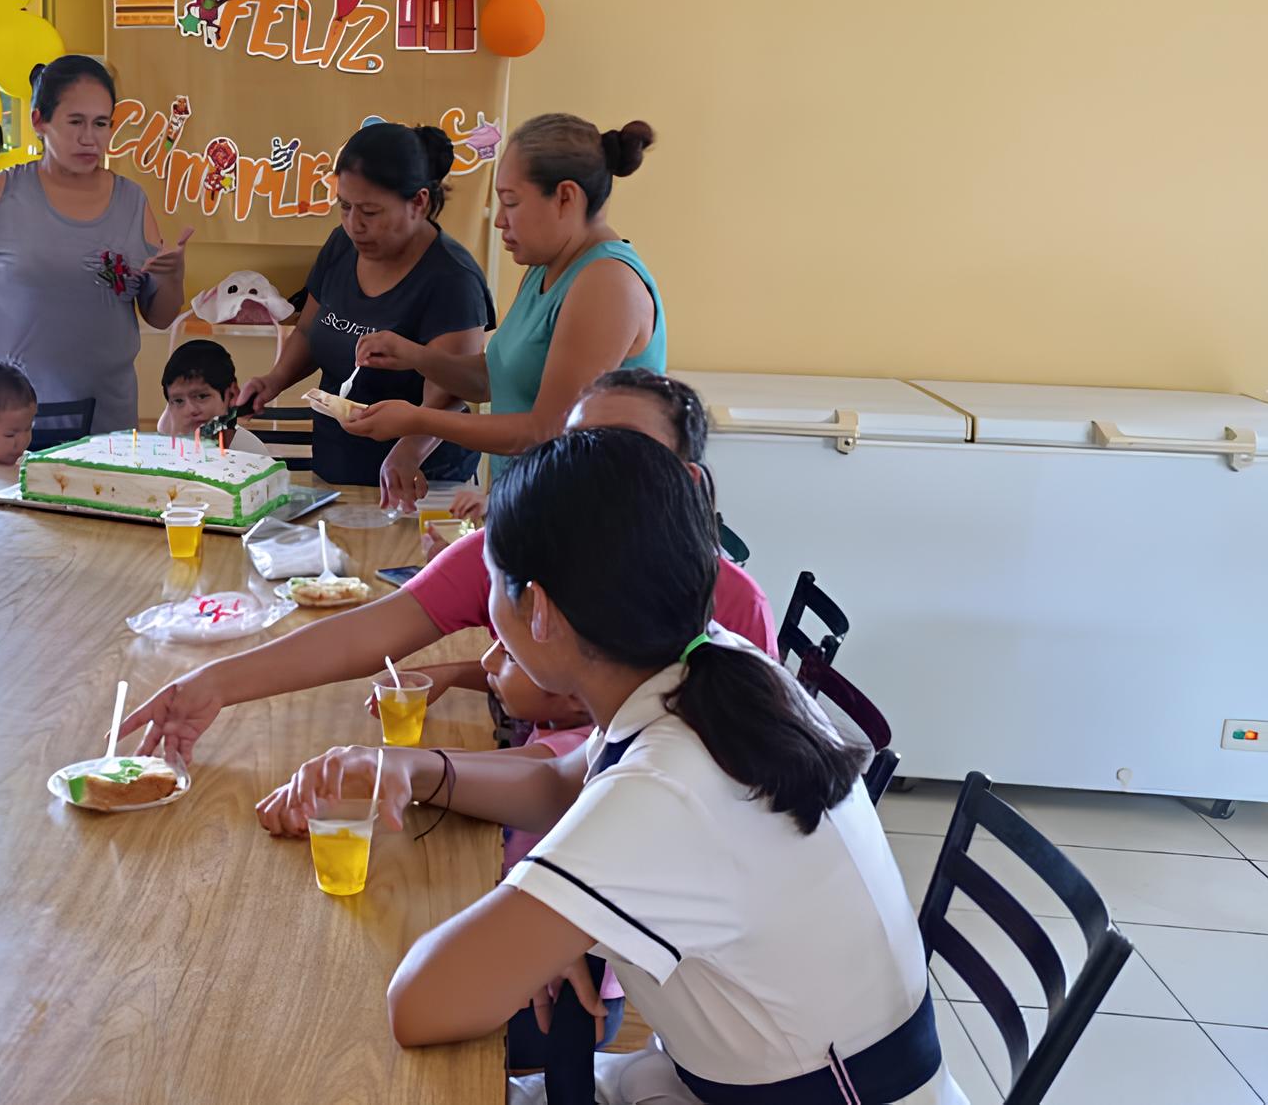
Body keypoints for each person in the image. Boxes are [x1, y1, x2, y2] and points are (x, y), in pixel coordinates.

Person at [275, 428, 957, 1105]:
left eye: (493, 581)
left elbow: (422, 1004)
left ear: (540, 611)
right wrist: (415, 770)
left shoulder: (670, 783)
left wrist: (539, 927)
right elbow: (560, 784)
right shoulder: (714, 661)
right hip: (720, 1069)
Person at [122, 369, 773, 768]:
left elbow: (714, 782)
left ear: (687, 481)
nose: (595, 472)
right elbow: (366, 634)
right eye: (578, 447)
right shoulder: (515, 547)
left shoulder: (734, 608)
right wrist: (212, 683)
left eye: (630, 453)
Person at [342, 116, 665, 480]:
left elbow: (546, 431)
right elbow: (492, 379)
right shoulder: (546, 268)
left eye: (510, 202)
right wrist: (415, 356)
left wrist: (417, 420)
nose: (499, 221)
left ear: (565, 197)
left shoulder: (606, 282)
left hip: (591, 506)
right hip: (527, 500)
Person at [228, 122, 494, 504]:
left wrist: (408, 452)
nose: (355, 225)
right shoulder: (342, 245)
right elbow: (309, 332)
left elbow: (450, 394)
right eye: (345, 207)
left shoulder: (452, 278)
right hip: (335, 464)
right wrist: (274, 380)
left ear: (418, 203)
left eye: (370, 211)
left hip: (420, 481)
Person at [0, 56, 189, 446]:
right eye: (75, 122)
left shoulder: (132, 201)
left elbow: (159, 316)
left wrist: (173, 276)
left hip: (104, 417)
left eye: (101, 123)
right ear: (39, 121)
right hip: (8, 418)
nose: (89, 138)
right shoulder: (0, 192)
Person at [152, 339, 267, 454]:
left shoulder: (251, 451)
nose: (190, 410)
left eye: (201, 396)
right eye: (179, 401)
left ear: (231, 395)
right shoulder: (168, 436)